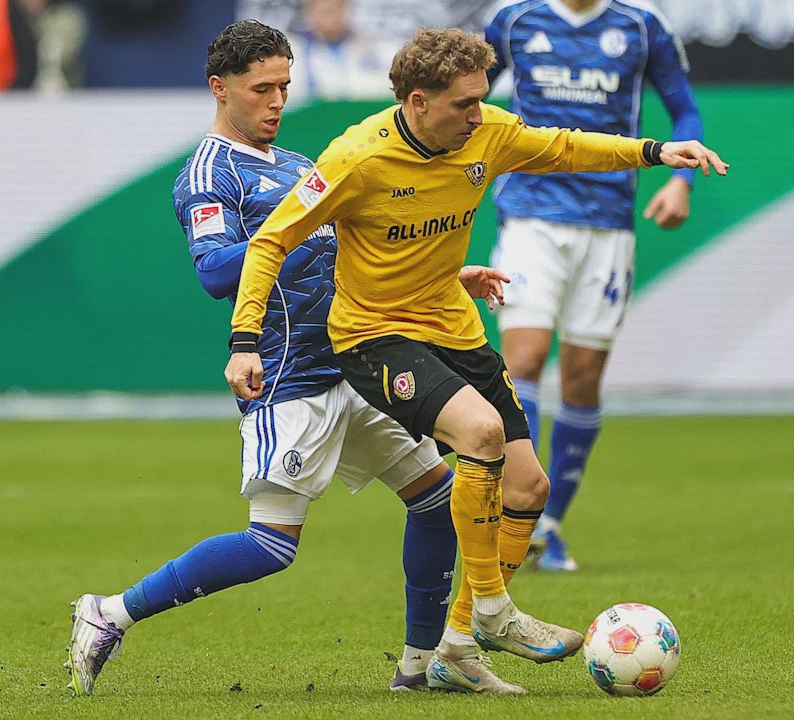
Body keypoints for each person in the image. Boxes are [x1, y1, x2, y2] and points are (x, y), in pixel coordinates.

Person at [225, 26, 726, 691]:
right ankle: (493, 608)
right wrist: (244, 339)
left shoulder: (484, 131)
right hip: (373, 338)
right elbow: (269, 242)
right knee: (481, 433)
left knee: (529, 487)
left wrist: (658, 150)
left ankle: (457, 645)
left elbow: (564, 147)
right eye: (463, 103)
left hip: (452, 328)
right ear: (416, 101)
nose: (477, 114)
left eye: (481, 100)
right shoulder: (355, 158)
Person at [65, 20, 517, 697]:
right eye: (261, 89)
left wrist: (447, 280)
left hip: (356, 363)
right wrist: (288, 231)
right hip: (287, 377)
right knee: (271, 547)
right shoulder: (209, 173)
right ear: (220, 89)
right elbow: (217, 270)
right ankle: (109, 613)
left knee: (436, 500)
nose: (276, 102)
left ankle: (422, 665)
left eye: (284, 87)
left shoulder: (300, 164)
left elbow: (355, 256)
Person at [483, 0, 704, 572]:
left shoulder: (641, 24)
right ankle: (516, 515)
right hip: (531, 215)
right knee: (524, 359)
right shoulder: (514, 20)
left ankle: (549, 525)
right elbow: (467, 100)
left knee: (582, 379)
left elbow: (684, 111)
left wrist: (680, 182)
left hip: (608, 225)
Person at [287, 0, 393, 100]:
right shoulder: (295, 50)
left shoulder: (371, 47)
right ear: (309, 14)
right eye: (324, 12)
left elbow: (383, 87)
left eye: (335, 10)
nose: (330, 18)